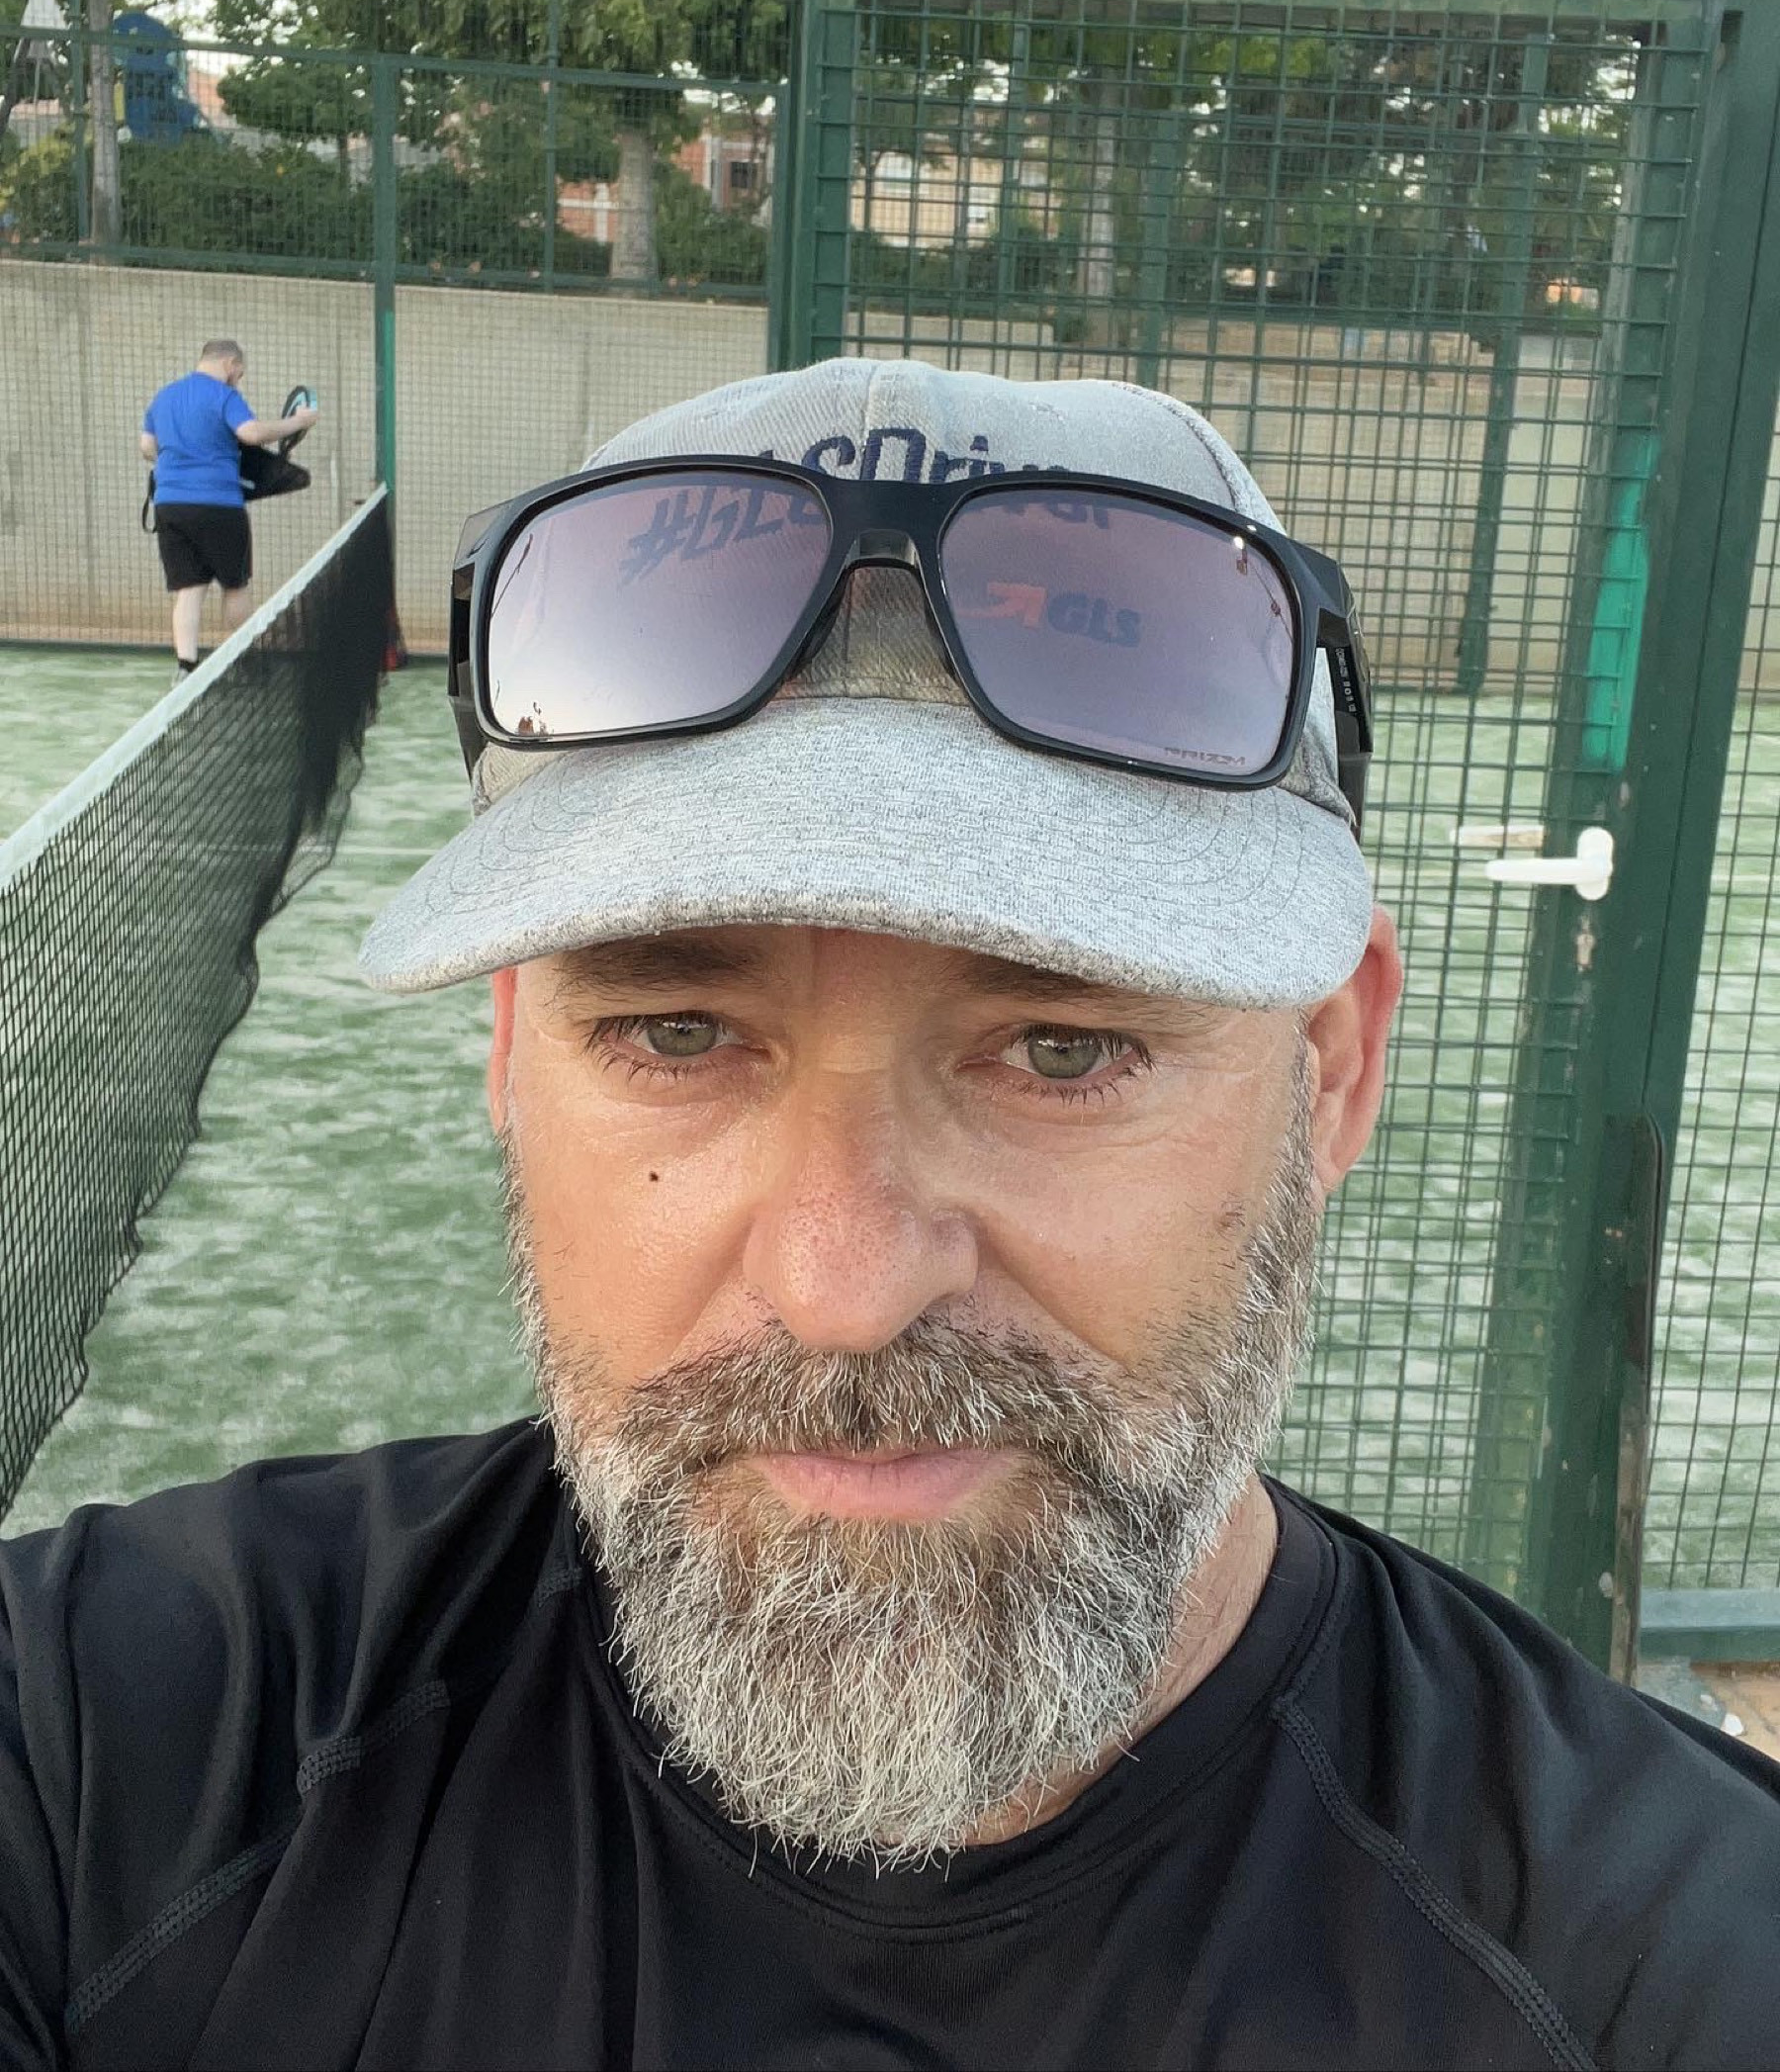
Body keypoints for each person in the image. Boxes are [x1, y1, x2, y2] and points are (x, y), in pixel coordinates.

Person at [5, 359, 1778, 2070]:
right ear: (512, 1058)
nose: (844, 1286)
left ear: (1332, 1071)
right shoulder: (101, 1748)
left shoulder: (1682, 1960)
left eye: (1064, 1048)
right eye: (677, 1033)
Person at [138, 338, 319, 677]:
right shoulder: (224, 395)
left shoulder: (164, 396)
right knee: (234, 586)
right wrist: (298, 422)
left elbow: (148, 447)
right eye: (240, 373)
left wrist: (181, 459)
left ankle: (185, 667)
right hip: (218, 506)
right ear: (230, 364)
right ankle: (248, 661)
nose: (238, 380)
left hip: (170, 506)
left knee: (189, 590)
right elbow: (251, 433)